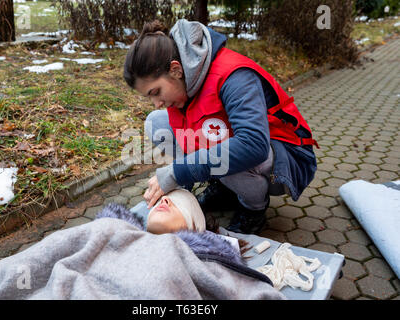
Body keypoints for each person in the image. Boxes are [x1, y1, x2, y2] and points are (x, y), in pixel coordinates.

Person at [123, 19, 318, 234]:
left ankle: (253, 210)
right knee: (156, 121)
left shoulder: (234, 75)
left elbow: (253, 145)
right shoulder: (183, 82)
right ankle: (225, 188)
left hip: (286, 159)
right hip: (241, 144)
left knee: (222, 149)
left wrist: (177, 173)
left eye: (156, 92)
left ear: (176, 69)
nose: (157, 102)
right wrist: (179, 188)